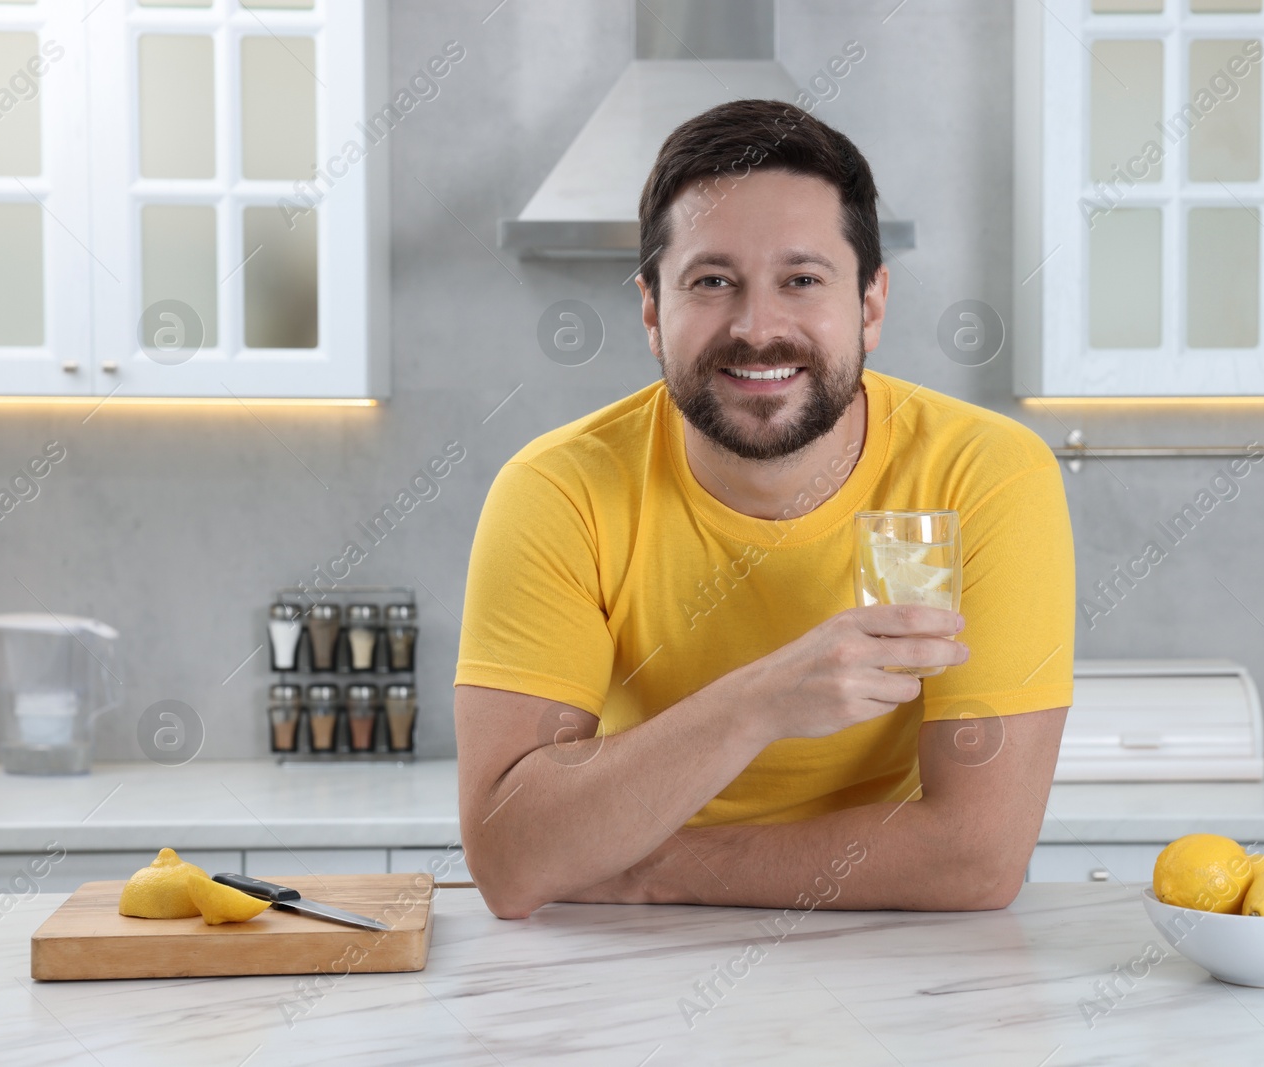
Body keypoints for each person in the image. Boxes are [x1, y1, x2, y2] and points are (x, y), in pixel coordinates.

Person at [455, 98, 1074, 920]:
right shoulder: (557, 490)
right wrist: (764, 701)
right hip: (629, 967)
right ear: (650, 309)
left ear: (871, 304)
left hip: (891, 953)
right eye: (712, 281)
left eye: (802, 280)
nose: (756, 328)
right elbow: (510, 856)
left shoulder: (985, 473)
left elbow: (974, 859)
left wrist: (642, 868)